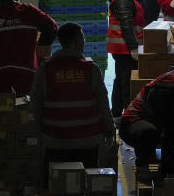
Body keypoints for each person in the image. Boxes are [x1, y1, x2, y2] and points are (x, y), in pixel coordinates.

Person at [0, 0, 58, 192]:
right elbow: (53, 27)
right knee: (25, 127)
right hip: (24, 79)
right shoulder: (28, 11)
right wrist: (39, 45)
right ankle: (27, 176)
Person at [32, 23, 114, 170]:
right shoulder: (91, 68)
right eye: (83, 39)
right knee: (85, 182)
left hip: (55, 140)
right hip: (88, 141)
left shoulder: (46, 69)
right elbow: (103, 104)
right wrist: (110, 131)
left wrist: (41, 133)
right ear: (77, 41)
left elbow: (35, 104)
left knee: (59, 183)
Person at [107, 0, 145, 116]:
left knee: (121, 79)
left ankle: (118, 112)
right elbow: (126, 25)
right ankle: (122, 113)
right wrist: (134, 48)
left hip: (123, 47)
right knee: (125, 82)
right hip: (124, 48)